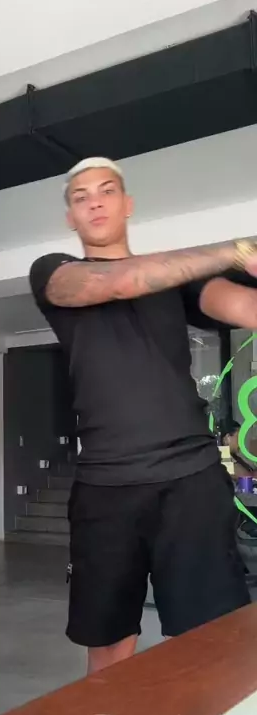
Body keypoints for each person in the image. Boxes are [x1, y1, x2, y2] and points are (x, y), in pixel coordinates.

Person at [29, 156, 257, 675]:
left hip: (191, 481)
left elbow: (245, 308)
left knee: (210, 640)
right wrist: (238, 250)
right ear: (70, 217)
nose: (94, 202)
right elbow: (119, 282)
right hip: (105, 487)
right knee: (109, 645)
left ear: (127, 204)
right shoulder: (53, 273)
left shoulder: (177, 283)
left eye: (106, 191)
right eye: (81, 197)